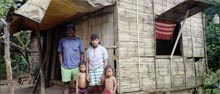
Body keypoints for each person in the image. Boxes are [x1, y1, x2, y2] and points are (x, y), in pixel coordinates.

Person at [57, 24, 84, 94]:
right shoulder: (62, 40)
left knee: (78, 85)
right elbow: (60, 53)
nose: (70, 31)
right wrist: (61, 64)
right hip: (65, 67)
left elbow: (82, 53)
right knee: (66, 86)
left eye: (72, 30)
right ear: (66, 31)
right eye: (68, 30)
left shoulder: (79, 41)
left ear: (74, 31)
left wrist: (81, 65)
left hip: (76, 67)